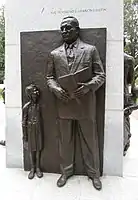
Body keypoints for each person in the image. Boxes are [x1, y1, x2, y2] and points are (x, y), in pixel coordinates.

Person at [47, 16, 105, 190]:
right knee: (65, 140)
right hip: (64, 103)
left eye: (68, 28)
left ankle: (94, 174)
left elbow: (100, 74)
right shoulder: (54, 54)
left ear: (77, 30)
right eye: (62, 28)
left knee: (90, 140)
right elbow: (49, 77)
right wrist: (55, 89)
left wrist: (89, 87)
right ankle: (66, 172)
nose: (64, 31)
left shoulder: (90, 50)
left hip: (85, 103)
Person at [22, 84, 43, 179]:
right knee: (31, 150)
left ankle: (38, 167)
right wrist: (25, 136)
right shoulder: (26, 107)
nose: (37, 93)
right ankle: (32, 168)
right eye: (34, 92)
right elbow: (23, 122)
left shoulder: (39, 106)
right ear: (30, 94)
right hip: (30, 131)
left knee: (38, 149)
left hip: (38, 130)